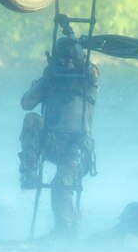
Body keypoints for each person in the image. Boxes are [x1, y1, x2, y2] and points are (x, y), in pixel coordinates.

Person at [18, 22, 99, 238]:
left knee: (61, 182)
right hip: (52, 141)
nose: (69, 63)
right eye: (64, 58)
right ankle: (28, 171)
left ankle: (65, 228)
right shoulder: (51, 79)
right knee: (31, 119)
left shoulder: (87, 78)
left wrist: (71, 37)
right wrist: (46, 78)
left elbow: (83, 64)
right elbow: (26, 103)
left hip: (77, 146)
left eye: (72, 58)